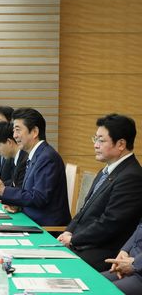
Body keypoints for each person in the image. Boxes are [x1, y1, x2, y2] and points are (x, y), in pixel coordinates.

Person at [57, 114, 142, 271]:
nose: (95, 145)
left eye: (101, 140)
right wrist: (68, 231)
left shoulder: (131, 176)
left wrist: (74, 239)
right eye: (95, 139)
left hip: (103, 252)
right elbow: (84, 210)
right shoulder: (105, 172)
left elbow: (110, 223)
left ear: (121, 144)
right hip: (83, 244)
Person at [0, 108, 71, 226]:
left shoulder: (47, 158)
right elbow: (29, 193)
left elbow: (39, 198)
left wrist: (3, 190)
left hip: (45, 227)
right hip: (31, 219)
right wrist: (18, 205)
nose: (14, 135)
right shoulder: (36, 155)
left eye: (18, 130)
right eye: (14, 130)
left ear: (34, 132)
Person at [102, 222, 142, 295]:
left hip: (139, 274)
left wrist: (135, 263)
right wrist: (124, 251)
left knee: (103, 291)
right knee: (91, 282)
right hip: (129, 263)